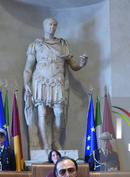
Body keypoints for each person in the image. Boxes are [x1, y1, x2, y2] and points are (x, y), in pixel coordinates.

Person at [23, 17, 88, 150]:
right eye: (50, 24)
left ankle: (55, 140)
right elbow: (28, 68)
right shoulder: (36, 44)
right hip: (41, 80)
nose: (52, 27)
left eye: (54, 25)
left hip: (57, 80)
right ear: (44, 26)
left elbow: (73, 65)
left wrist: (82, 64)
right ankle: (45, 144)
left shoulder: (63, 45)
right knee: (42, 112)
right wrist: (26, 84)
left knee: (59, 113)